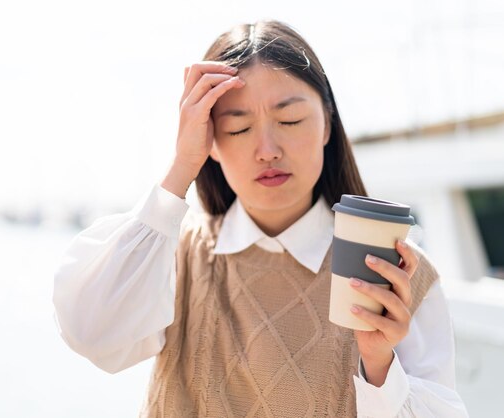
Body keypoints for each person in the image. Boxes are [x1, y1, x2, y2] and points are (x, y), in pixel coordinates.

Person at [53, 20, 469, 417]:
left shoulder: (395, 269)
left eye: (289, 120)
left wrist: (380, 365)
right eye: (237, 129)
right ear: (209, 140)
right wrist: (181, 168)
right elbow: (91, 332)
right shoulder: (175, 254)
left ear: (328, 124)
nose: (267, 149)